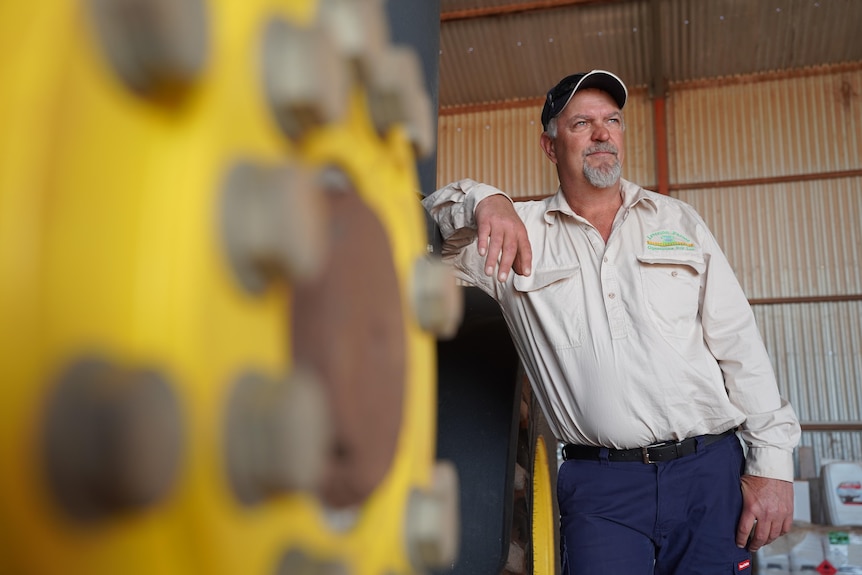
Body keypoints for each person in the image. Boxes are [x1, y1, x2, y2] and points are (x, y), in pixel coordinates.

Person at [423, 70, 801, 574]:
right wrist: (488, 201)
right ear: (550, 146)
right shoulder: (515, 233)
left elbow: (740, 347)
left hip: (708, 473)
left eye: (612, 120)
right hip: (600, 489)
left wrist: (771, 468)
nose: (603, 133)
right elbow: (431, 232)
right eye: (582, 123)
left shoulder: (678, 222)